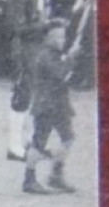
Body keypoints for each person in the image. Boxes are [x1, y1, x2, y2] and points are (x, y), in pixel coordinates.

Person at [5, 0, 53, 161]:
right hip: (25, 48)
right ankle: (14, 145)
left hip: (37, 47)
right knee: (23, 95)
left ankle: (33, 142)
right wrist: (45, 25)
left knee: (37, 94)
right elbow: (17, 27)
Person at [22, 19, 78, 195]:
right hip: (47, 105)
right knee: (39, 142)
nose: (62, 40)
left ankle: (56, 174)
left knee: (68, 138)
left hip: (59, 104)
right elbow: (61, 74)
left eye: (63, 36)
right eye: (58, 36)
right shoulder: (45, 55)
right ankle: (29, 179)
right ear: (47, 37)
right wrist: (71, 57)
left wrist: (68, 58)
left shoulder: (53, 54)